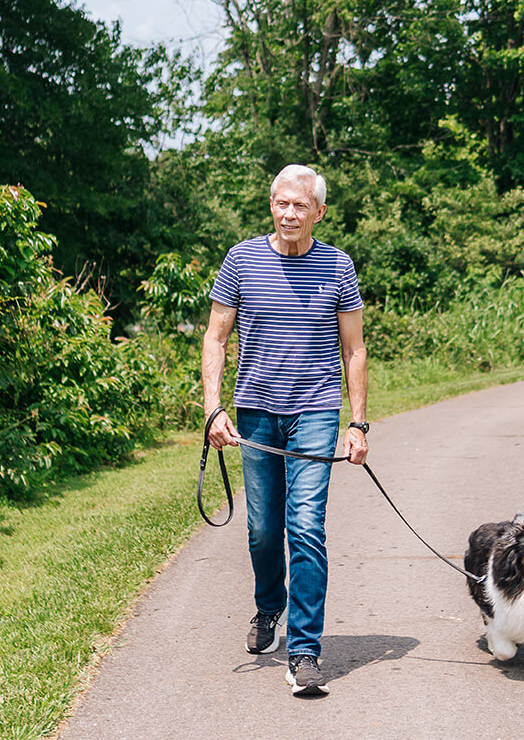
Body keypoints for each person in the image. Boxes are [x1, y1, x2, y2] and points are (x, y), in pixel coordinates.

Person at [201, 164, 369, 697]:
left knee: (306, 527)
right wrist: (212, 410)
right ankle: (268, 607)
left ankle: (305, 651)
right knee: (261, 529)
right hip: (254, 413)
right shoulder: (241, 258)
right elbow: (215, 338)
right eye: (281, 203)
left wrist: (357, 423)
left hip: (316, 413)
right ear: (271, 205)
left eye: (300, 205)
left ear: (320, 211)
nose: (289, 213)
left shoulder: (338, 267)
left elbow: (354, 348)